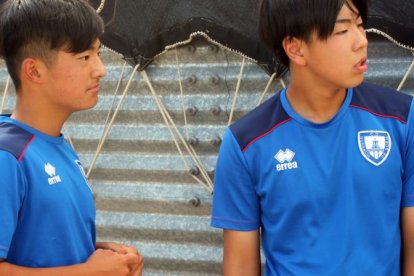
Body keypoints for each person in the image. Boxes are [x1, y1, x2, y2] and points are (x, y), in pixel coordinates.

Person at [211, 0, 414, 274]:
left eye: (361, 25)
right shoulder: (246, 143)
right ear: (295, 48)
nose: (362, 41)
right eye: (343, 31)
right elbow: (241, 266)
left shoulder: (401, 119)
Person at [0, 0, 143, 275]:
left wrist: (105, 256)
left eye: (98, 54)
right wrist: (87, 272)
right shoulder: (8, 156)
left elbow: (37, 243)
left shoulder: (54, 145)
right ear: (34, 71)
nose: (101, 70)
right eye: (85, 57)